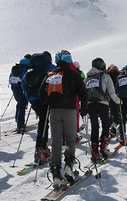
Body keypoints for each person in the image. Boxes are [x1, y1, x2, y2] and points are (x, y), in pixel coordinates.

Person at [39, 50, 88, 188]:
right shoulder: (74, 74)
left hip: (54, 111)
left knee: (56, 141)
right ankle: (68, 167)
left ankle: (56, 173)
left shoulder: (51, 74)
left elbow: (41, 94)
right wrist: (84, 108)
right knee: (70, 139)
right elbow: (83, 93)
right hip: (70, 111)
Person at [84, 58, 121, 162]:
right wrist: (118, 101)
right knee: (105, 124)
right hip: (103, 104)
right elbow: (111, 92)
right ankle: (103, 147)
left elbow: (83, 93)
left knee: (94, 126)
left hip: (91, 105)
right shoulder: (105, 76)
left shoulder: (87, 78)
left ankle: (95, 152)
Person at [22, 51, 55, 165]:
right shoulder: (49, 67)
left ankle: (41, 149)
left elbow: (23, 84)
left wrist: (29, 97)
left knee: (42, 122)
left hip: (33, 99)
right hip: (44, 100)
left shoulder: (31, 68)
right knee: (44, 124)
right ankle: (40, 150)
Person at [9, 55, 30, 132]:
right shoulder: (27, 67)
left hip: (14, 86)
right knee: (22, 105)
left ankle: (17, 120)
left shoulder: (17, 66)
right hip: (21, 87)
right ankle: (20, 125)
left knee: (19, 103)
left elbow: (10, 76)